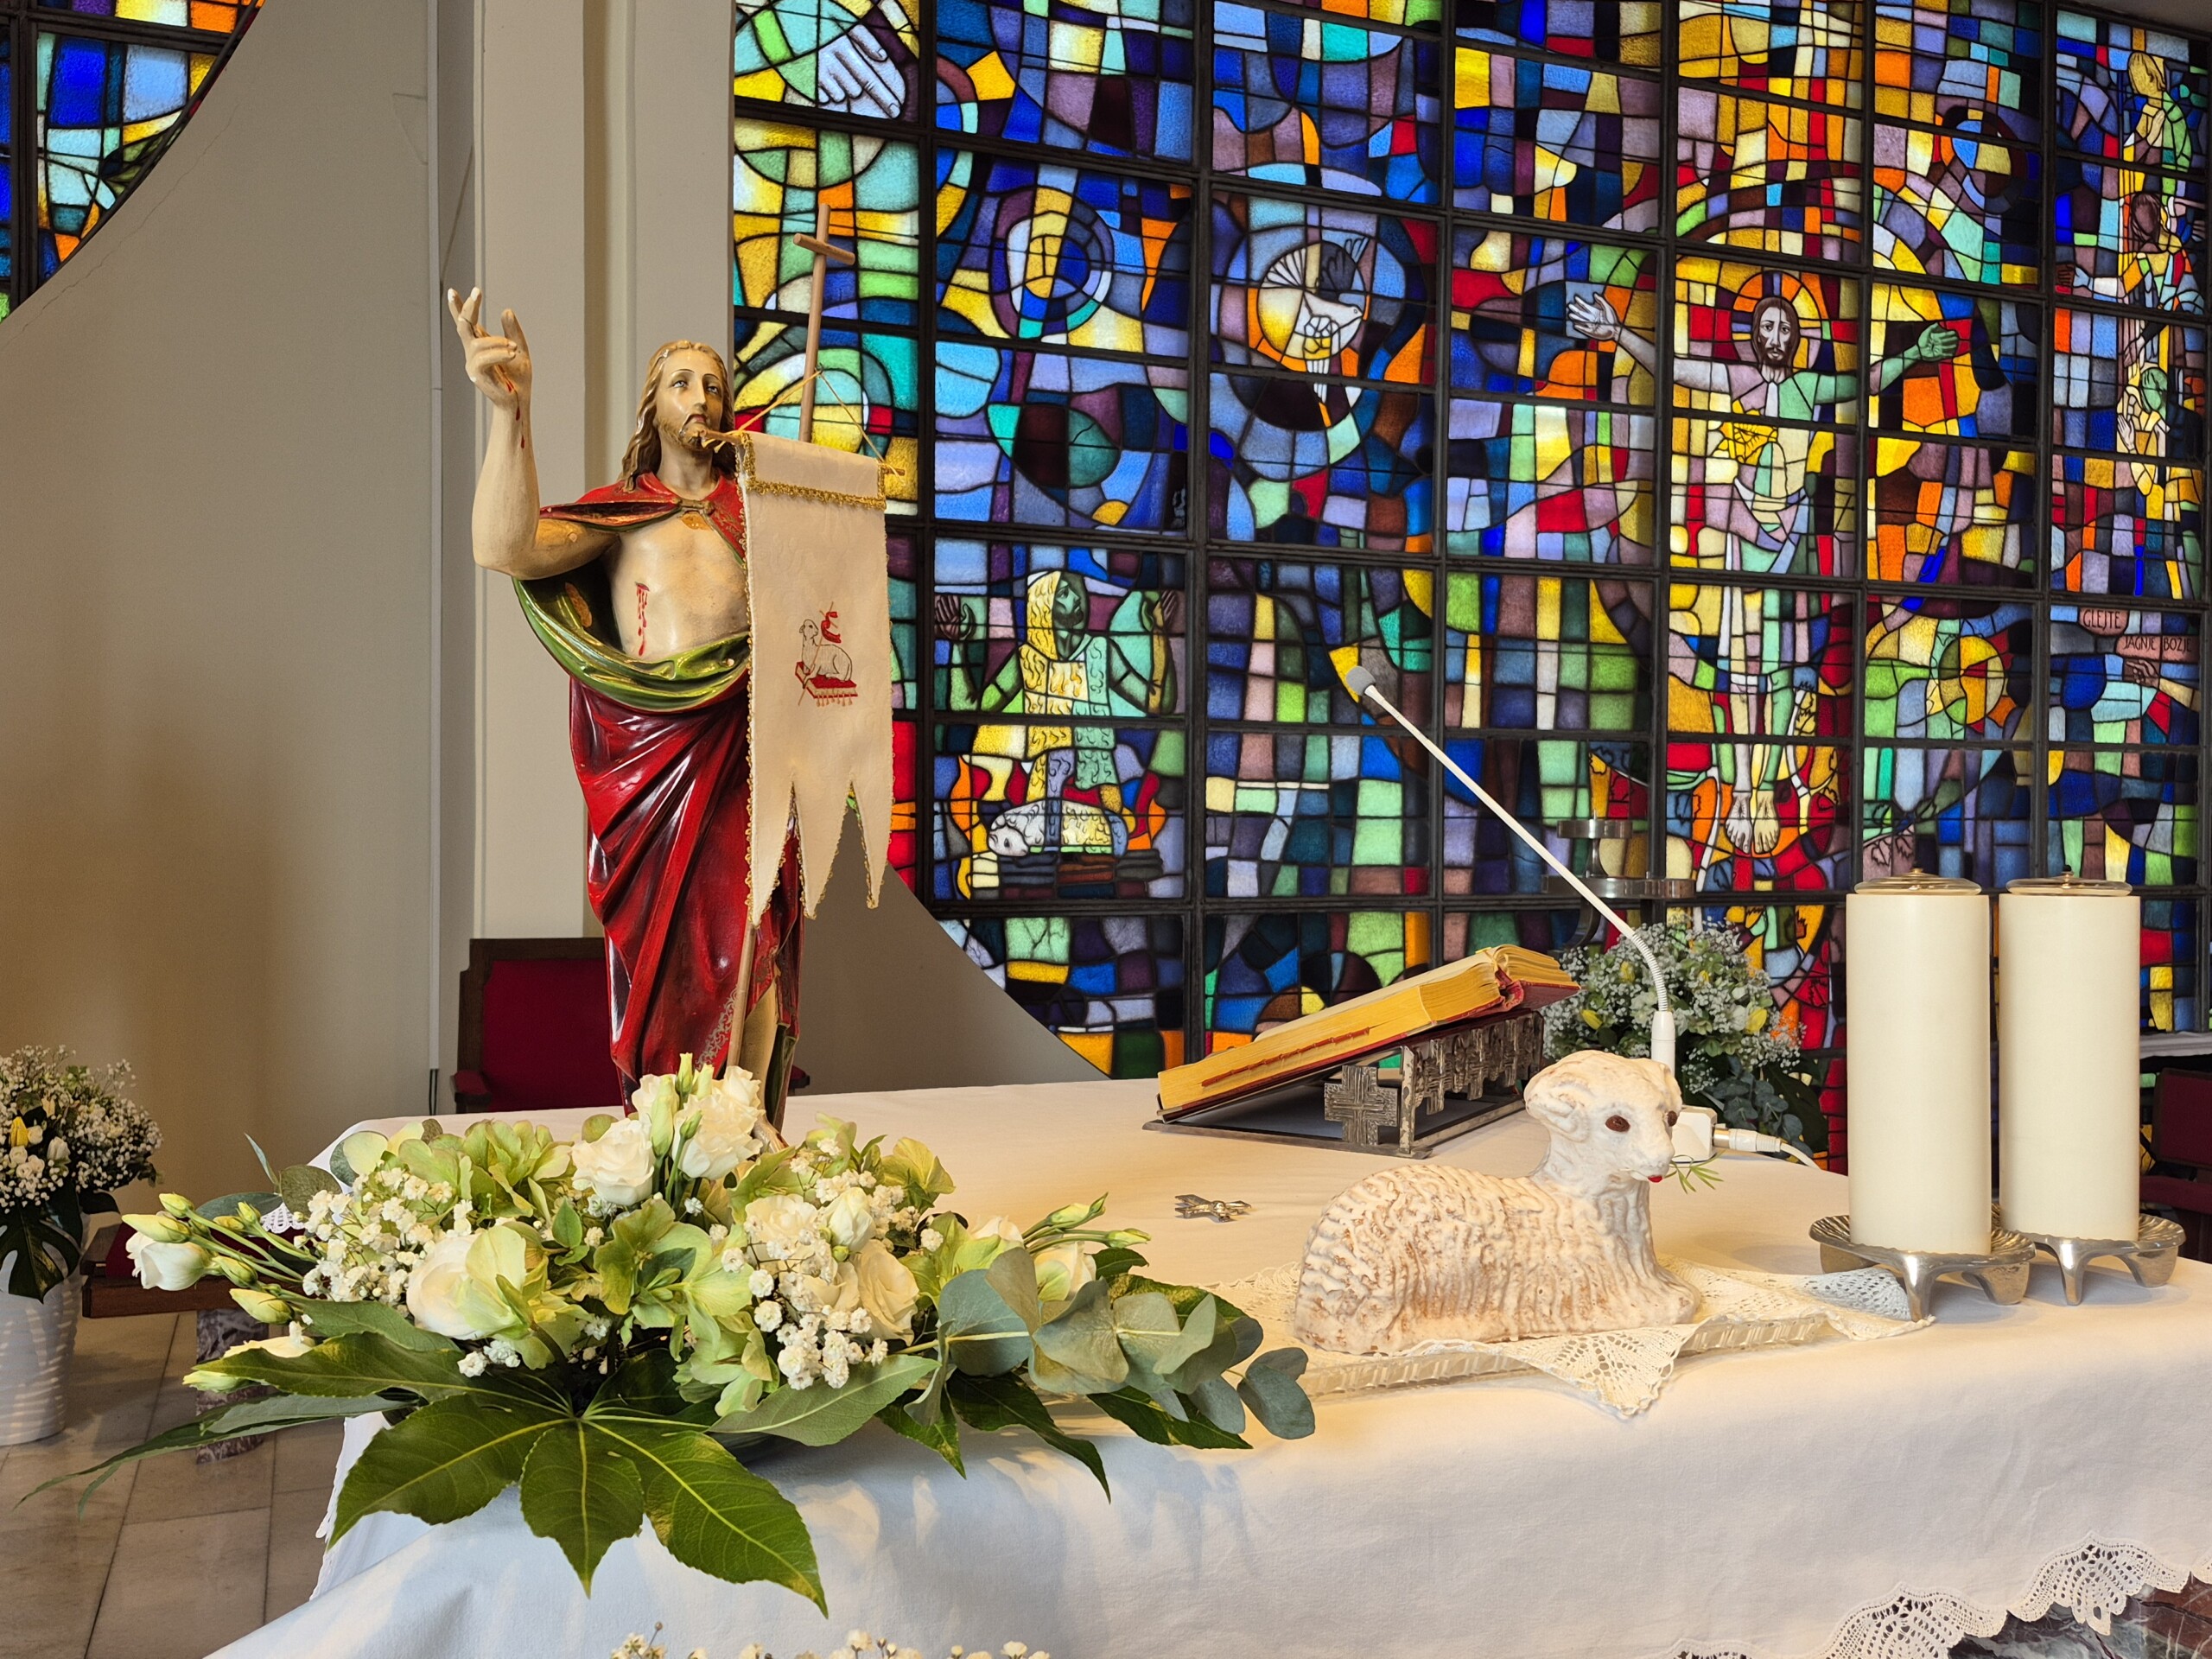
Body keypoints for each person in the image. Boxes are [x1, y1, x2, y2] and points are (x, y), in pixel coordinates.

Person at [447, 288, 804, 1102]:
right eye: (682, 383)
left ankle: (750, 1131)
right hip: (654, 767)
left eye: (713, 385)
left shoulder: (760, 520)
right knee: (665, 959)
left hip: (745, 754)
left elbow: (819, 619)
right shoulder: (625, 518)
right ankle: (674, 1139)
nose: (700, 398)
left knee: (752, 939)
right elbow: (503, 546)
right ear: (654, 407)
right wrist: (509, 414)